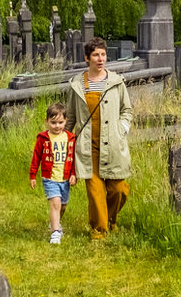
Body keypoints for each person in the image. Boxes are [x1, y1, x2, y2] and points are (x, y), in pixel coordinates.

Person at [66, 37, 132, 237]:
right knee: (95, 192)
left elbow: (126, 110)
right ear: (87, 58)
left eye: (103, 54)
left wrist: (121, 128)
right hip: (87, 146)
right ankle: (98, 231)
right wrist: (63, 142)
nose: (100, 58)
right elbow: (70, 117)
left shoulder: (116, 82)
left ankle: (111, 220)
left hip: (113, 144)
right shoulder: (76, 84)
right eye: (96, 55)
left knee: (119, 190)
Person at [27, 101, 76, 244]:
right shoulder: (43, 139)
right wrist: (32, 175)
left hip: (65, 177)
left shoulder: (70, 138)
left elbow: (72, 158)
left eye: (60, 122)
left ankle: (56, 222)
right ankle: (55, 233)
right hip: (50, 178)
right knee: (56, 203)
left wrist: (73, 174)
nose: (57, 126)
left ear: (65, 121)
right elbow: (36, 157)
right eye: (53, 123)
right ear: (47, 121)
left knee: (63, 205)